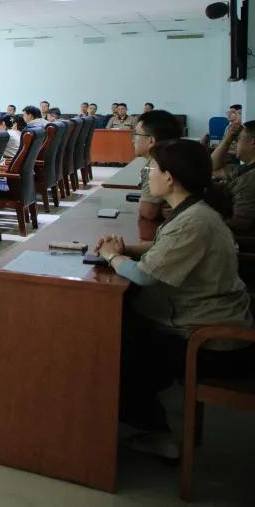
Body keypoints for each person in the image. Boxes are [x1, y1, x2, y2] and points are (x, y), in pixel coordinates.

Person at [94, 139, 252, 458]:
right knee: (118, 327)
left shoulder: (195, 221)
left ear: (170, 178)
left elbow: (144, 275)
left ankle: (158, 436)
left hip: (211, 341)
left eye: (152, 169)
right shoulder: (193, 210)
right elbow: (163, 249)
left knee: (112, 352)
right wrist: (127, 249)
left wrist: (112, 256)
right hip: (201, 323)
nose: (148, 174)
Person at [133, 111, 182, 241]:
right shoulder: (178, 155)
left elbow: (148, 211)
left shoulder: (156, 164)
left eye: (135, 134)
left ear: (151, 140)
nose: (132, 139)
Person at [212, 119, 255, 231]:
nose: (235, 143)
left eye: (239, 139)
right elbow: (213, 167)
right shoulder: (245, 168)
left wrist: (205, 221)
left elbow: (239, 223)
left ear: (253, 142)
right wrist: (228, 138)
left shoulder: (251, 179)